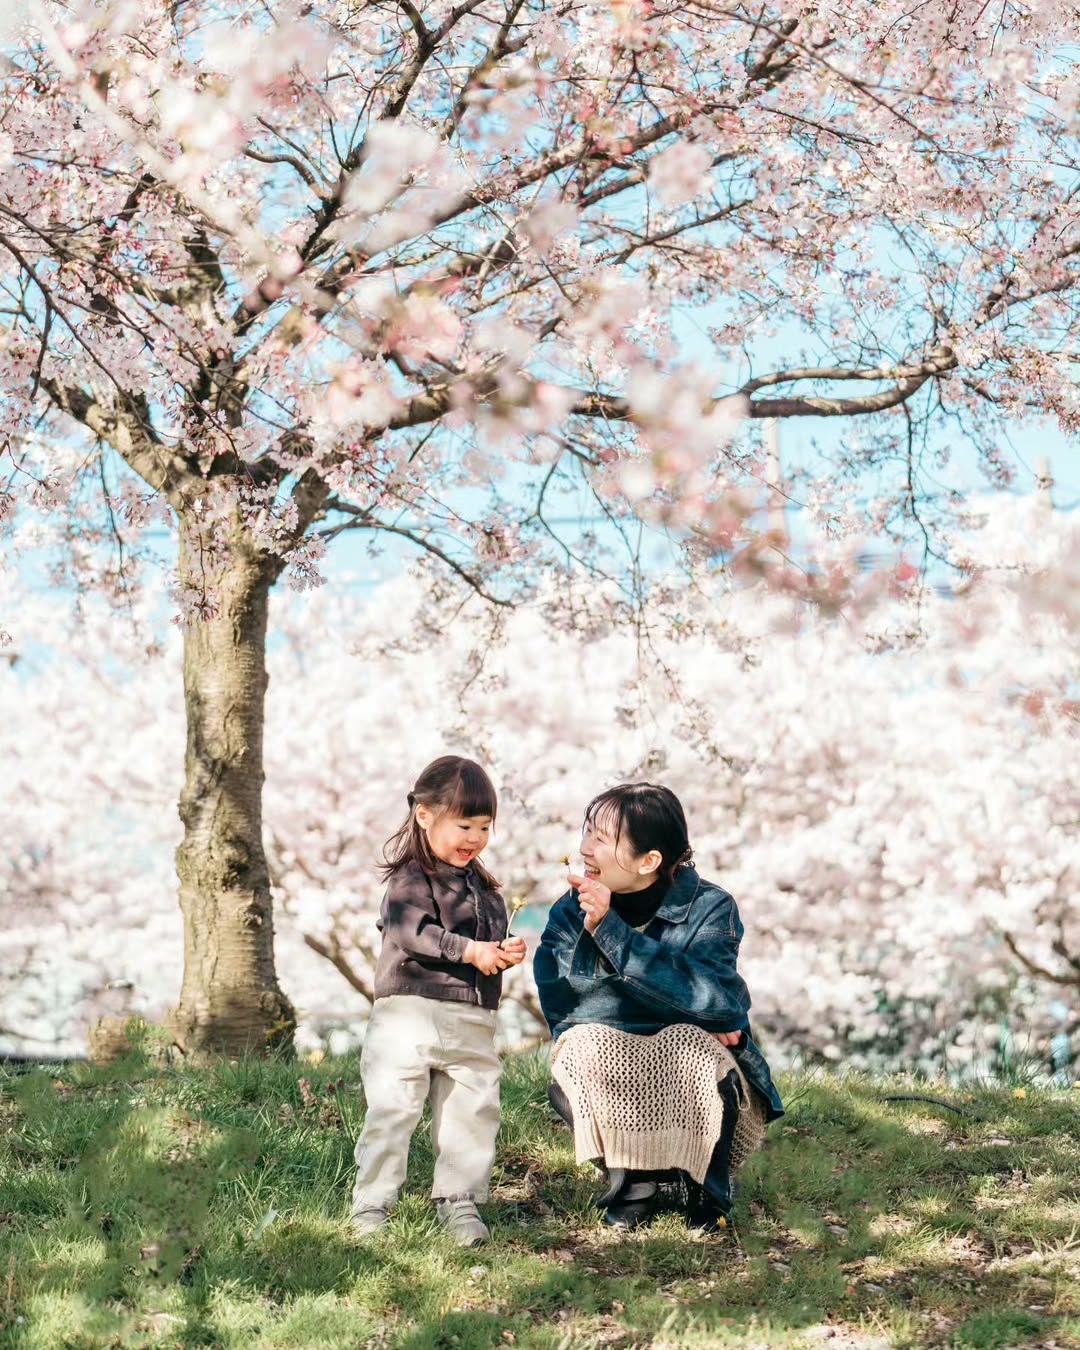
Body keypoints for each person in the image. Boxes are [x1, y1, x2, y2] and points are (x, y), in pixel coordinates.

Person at [534, 782, 783, 1230]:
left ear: (649, 861)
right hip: (617, 1071)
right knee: (583, 1045)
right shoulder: (570, 911)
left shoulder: (710, 908)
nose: (585, 849)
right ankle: (635, 1183)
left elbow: (721, 1002)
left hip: (705, 1087)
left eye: (601, 839)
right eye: (586, 832)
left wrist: (610, 930)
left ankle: (702, 1181)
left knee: (686, 1043)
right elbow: (565, 1009)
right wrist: (682, 1008)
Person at [350, 756, 527, 1245]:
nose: (474, 837)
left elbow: (483, 950)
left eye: (484, 826)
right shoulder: (410, 879)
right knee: (393, 1108)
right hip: (410, 1013)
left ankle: (460, 1202)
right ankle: (372, 1205)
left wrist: (501, 952)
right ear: (424, 815)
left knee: (472, 1112)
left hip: (471, 1018)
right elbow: (412, 931)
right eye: (463, 824)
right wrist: (468, 949)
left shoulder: (488, 891)